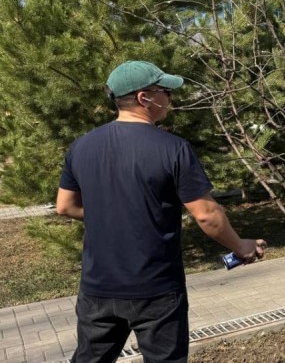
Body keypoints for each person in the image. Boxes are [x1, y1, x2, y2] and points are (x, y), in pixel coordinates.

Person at [56, 60, 266, 363]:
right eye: (165, 91)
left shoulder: (81, 146)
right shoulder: (173, 148)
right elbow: (207, 214)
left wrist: (112, 214)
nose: (170, 98)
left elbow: (65, 206)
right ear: (145, 98)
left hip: (97, 288)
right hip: (156, 289)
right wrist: (241, 246)